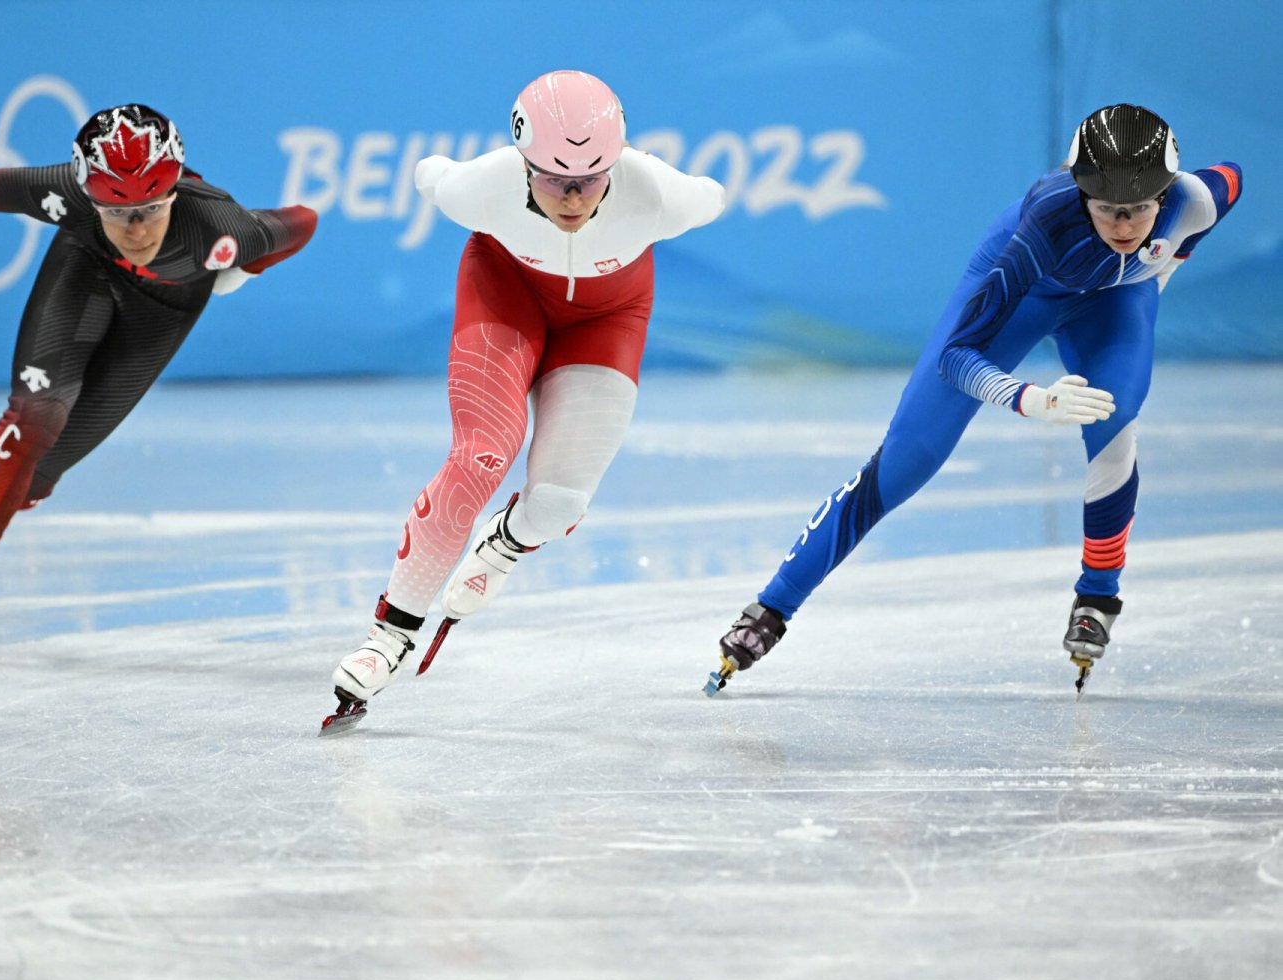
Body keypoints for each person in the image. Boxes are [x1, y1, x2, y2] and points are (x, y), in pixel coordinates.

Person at [710, 103, 1242, 695]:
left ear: (1164, 193)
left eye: (1139, 209)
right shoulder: (1045, 224)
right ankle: (771, 609)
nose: (1123, 225)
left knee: (1115, 420)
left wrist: (1161, 268)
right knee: (908, 461)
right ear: (1080, 192)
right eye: (1106, 209)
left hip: (1115, 302)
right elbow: (957, 357)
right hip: (1026, 293)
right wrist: (1028, 399)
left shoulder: (1194, 199)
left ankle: (1098, 595)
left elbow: (1231, 180)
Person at [326, 70, 725, 721]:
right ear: (522, 161)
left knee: (558, 506)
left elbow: (712, 194)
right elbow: (433, 173)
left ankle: (507, 540)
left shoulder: (659, 196)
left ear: (617, 163)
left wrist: (669, 179)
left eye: (591, 179)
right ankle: (389, 637)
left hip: (606, 322)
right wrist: (435, 170)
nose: (571, 197)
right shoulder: (481, 187)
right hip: (505, 296)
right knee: (484, 453)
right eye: (552, 178)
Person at [0, 103, 317, 654]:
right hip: (83, 270)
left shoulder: (221, 228)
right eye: (117, 211)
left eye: (150, 208)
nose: (137, 229)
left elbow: (303, 222)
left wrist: (244, 268)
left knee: (46, 469)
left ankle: (3, 487)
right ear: (88, 195)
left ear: (173, 192)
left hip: (162, 314)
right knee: (36, 416)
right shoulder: (67, 195)